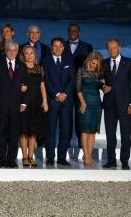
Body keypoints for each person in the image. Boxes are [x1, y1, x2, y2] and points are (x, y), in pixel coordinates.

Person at [0, 39, 26, 169]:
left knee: (14, 134)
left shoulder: (22, 66)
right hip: (0, 104)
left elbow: (26, 86)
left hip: (16, 105)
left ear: (17, 51)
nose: (11, 53)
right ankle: (2, 159)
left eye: (14, 50)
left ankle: (11, 159)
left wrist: (24, 103)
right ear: (5, 51)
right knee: (1, 133)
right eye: (9, 50)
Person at [101, 38, 131, 170]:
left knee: (126, 135)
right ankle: (111, 160)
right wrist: (103, 86)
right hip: (109, 105)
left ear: (119, 48)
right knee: (110, 135)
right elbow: (99, 80)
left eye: (114, 48)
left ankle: (125, 161)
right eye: (109, 48)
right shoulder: (104, 63)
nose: (111, 50)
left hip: (125, 104)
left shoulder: (129, 63)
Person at [40, 37, 75, 166]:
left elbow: (72, 79)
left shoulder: (68, 60)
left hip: (66, 101)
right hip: (52, 101)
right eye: (55, 46)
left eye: (60, 46)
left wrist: (64, 94)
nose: (58, 48)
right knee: (50, 131)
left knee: (65, 131)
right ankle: (50, 157)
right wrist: (56, 94)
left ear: (64, 47)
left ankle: (62, 157)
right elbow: (46, 80)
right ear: (51, 47)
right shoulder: (45, 61)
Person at [18, 45, 48, 167]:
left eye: (31, 53)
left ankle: (31, 157)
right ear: (23, 55)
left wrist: (45, 101)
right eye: (27, 53)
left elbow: (42, 86)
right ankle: (24, 157)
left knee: (33, 130)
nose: (29, 55)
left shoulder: (39, 69)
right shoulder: (20, 68)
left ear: (35, 55)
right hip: (24, 102)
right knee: (24, 130)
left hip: (37, 101)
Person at [66, 23, 94, 146]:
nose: (73, 32)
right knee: (66, 116)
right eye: (70, 30)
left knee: (80, 115)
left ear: (79, 32)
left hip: (81, 86)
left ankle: (81, 143)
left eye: (75, 30)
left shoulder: (87, 46)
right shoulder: (61, 45)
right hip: (65, 86)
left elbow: (91, 67)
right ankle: (66, 142)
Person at [76, 51, 104, 166]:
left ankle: (89, 155)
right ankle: (86, 156)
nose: (94, 66)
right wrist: (83, 103)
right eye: (93, 63)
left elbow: (102, 85)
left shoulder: (99, 72)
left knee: (92, 131)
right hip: (84, 101)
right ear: (89, 61)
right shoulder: (81, 70)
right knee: (85, 130)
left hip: (96, 103)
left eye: (97, 64)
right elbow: (77, 88)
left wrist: (104, 84)